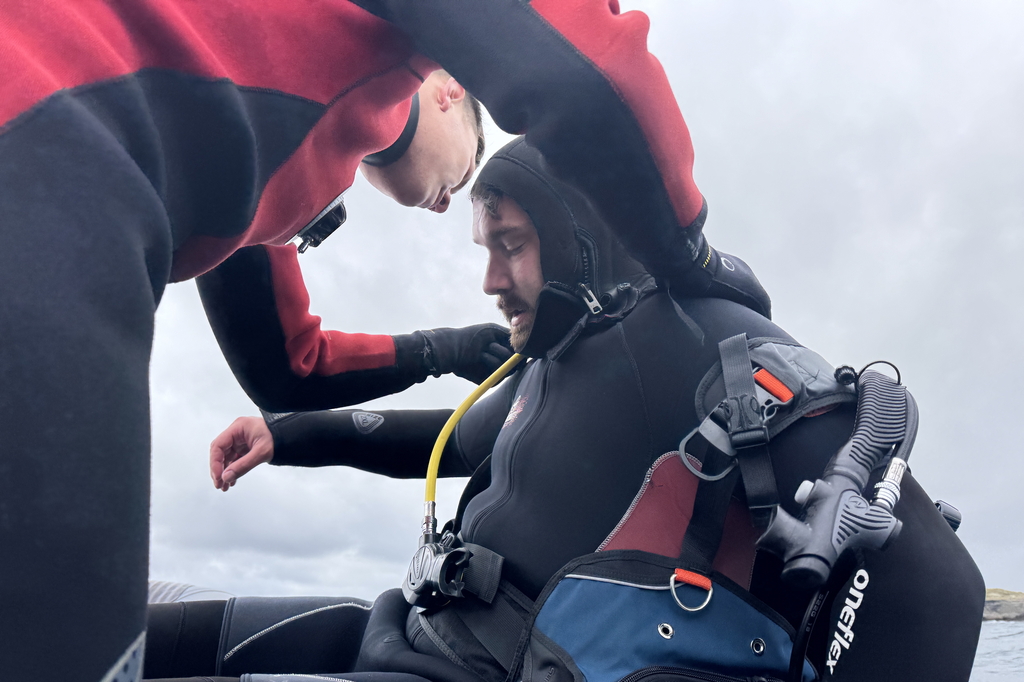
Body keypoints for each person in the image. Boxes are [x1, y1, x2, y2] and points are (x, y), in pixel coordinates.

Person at [0, 3, 798, 677]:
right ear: (450, 86)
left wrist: (305, 423)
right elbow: (585, 63)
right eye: (474, 169)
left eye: (508, 241)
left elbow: (287, 364)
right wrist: (686, 246)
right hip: (48, 147)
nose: (457, 213)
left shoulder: (261, 147)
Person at [158, 139, 984, 682]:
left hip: (453, 669)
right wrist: (284, 435)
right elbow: (439, 443)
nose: (488, 279)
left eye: (509, 244)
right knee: (131, 639)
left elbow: (927, 565)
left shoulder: (683, 334)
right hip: (397, 633)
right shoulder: (547, 371)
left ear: (579, 236)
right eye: (485, 251)